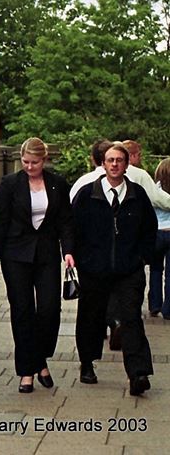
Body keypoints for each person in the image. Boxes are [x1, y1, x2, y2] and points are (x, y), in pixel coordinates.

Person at [0, 138, 75, 393]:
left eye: (34, 162)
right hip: (15, 254)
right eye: (25, 162)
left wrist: (68, 251)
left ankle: (40, 358)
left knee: (48, 310)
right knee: (22, 311)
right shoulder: (10, 184)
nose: (29, 166)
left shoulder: (57, 184)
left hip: (46, 253)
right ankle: (28, 371)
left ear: (43, 160)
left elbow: (66, 221)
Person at [72, 143, 157, 396]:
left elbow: (149, 229)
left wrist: (143, 257)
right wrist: (80, 258)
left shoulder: (137, 194)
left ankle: (138, 373)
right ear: (103, 163)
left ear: (126, 164)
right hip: (94, 269)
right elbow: (74, 229)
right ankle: (87, 363)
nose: (115, 164)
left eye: (119, 160)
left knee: (130, 318)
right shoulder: (88, 195)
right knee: (91, 316)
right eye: (110, 160)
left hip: (128, 269)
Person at [150, 158, 170, 319]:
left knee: (156, 270)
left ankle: (154, 304)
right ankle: (168, 308)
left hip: (157, 232)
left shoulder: (154, 189)